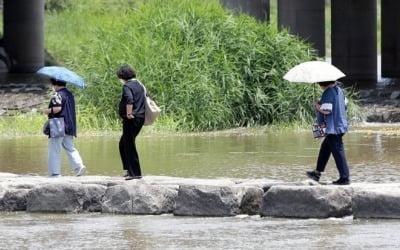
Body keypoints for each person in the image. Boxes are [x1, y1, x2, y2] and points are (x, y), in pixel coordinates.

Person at [306, 81, 350, 185]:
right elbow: (345, 105)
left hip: (333, 128)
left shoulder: (328, 92)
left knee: (338, 152)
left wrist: (317, 106)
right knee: (325, 149)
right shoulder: (340, 90)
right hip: (340, 125)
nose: (319, 86)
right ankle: (316, 174)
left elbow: (327, 110)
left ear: (323, 83)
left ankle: (345, 178)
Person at [43, 78, 86, 177]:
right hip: (69, 124)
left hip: (58, 124)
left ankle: (55, 173)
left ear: (55, 84)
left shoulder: (57, 94)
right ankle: (79, 166)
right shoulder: (70, 94)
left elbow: (57, 108)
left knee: (54, 149)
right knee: (70, 147)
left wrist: (47, 111)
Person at [117, 65, 145, 180]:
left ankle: (135, 173)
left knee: (128, 144)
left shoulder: (127, 86)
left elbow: (129, 99)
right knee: (123, 143)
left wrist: (128, 113)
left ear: (123, 76)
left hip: (131, 118)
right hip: (140, 117)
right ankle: (129, 169)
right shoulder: (139, 84)